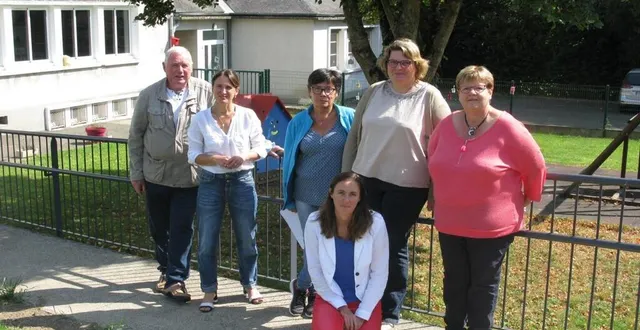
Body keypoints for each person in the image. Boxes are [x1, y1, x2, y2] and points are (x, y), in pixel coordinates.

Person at [341, 38, 451, 328]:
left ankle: (390, 313)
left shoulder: (429, 96)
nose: (399, 67)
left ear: (417, 65)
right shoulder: (374, 92)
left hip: (407, 185)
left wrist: (436, 188)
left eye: (405, 62)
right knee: (363, 241)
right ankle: (364, 304)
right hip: (366, 178)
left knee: (390, 245)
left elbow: (447, 141)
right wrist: (346, 178)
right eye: (393, 61)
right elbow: (354, 135)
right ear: (385, 64)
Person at [427, 65, 546, 329]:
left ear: (490, 91)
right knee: (454, 284)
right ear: (457, 92)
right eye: (465, 87)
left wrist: (528, 198)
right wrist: (434, 193)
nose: (472, 93)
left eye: (479, 87)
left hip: (490, 228)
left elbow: (536, 166)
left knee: (482, 287)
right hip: (450, 222)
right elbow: (432, 160)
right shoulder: (447, 124)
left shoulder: (508, 127)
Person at [128, 46, 212, 302]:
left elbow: (220, 124)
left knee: (182, 227)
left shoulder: (205, 91)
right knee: (159, 228)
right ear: (164, 68)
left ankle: (176, 279)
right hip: (156, 175)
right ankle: (166, 270)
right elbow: (135, 136)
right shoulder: (149, 95)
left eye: (185, 65)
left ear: (192, 67)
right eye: (174, 65)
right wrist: (136, 173)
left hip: (190, 175)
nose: (180, 70)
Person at [187, 69, 267, 313]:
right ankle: (209, 289)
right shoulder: (200, 119)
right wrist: (214, 159)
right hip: (211, 182)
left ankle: (250, 284)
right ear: (213, 89)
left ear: (236, 90)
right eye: (219, 86)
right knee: (207, 240)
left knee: (247, 237)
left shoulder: (248, 115)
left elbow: (260, 147)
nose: (223, 91)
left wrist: (242, 157)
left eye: (228, 87)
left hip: (242, 180)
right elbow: (193, 155)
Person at [282, 68, 355, 318]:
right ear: (309, 91)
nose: (323, 93)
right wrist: (289, 195)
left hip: (338, 198)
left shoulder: (349, 118)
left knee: (329, 248)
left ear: (337, 92)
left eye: (329, 88)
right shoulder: (298, 122)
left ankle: (304, 286)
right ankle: (312, 291)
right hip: (305, 195)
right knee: (313, 248)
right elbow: (290, 158)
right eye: (318, 88)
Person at [304, 172, 389, 330]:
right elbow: (315, 271)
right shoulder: (314, 222)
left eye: (352, 194)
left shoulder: (376, 223)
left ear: (360, 198)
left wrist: (363, 313)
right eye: (341, 193)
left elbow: (379, 273)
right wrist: (342, 308)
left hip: (366, 298)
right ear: (331, 193)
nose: (346, 200)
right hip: (330, 297)